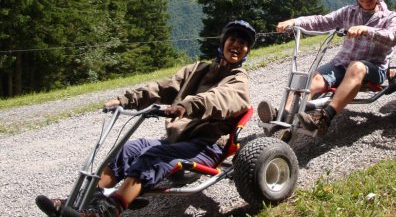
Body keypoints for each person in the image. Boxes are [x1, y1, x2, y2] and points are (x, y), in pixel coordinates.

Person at [36, 20, 256, 217]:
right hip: (177, 141)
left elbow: (219, 99)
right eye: (232, 39)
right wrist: (125, 100)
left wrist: (185, 106)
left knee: (153, 156)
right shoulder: (199, 69)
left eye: (243, 43)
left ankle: (106, 212)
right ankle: (77, 205)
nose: (236, 45)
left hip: (205, 147)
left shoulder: (238, 80)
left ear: (247, 51)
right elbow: (163, 87)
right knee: (129, 149)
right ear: (223, 42)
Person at [258, 0, 396, 136]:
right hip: (342, 64)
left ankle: (324, 118)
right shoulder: (348, 12)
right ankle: (283, 118)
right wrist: (294, 22)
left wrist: (366, 30)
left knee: (357, 67)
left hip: (374, 68)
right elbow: (322, 21)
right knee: (314, 79)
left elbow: (393, 36)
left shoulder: (391, 17)